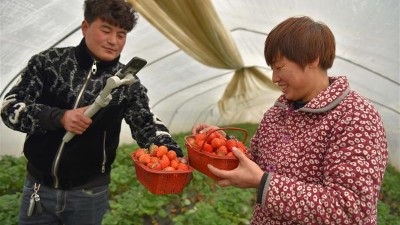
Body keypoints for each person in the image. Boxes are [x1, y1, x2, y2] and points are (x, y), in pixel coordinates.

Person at [1, 0, 183, 224]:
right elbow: (10, 106)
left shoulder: (127, 83)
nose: (113, 41)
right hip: (38, 188)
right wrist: (60, 117)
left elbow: (146, 123)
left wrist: (173, 153)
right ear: (85, 27)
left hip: (88, 195)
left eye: (121, 35)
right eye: (106, 31)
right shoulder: (48, 63)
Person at [192, 16, 388, 224]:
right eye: (272, 68)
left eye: (279, 67)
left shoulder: (355, 116)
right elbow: (255, 161)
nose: (274, 78)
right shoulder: (278, 113)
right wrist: (225, 141)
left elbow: (350, 208)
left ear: (313, 58)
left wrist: (263, 183)